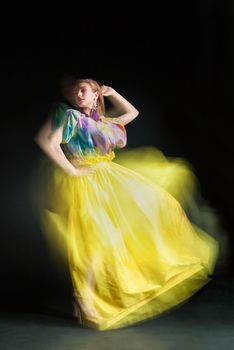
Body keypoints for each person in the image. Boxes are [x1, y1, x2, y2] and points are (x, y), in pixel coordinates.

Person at [33, 76, 220, 331]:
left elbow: (132, 112)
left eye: (84, 90)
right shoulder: (71, 118)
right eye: (76, 92)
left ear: (95, 94)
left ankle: (83, 299)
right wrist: (72, 171)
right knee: (94, 243)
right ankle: (84, 299)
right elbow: (49, 142)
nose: (78, 95)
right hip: (86, 184)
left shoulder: (105, 122)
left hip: (107, 180)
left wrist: (112, 93)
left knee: (125, 229)